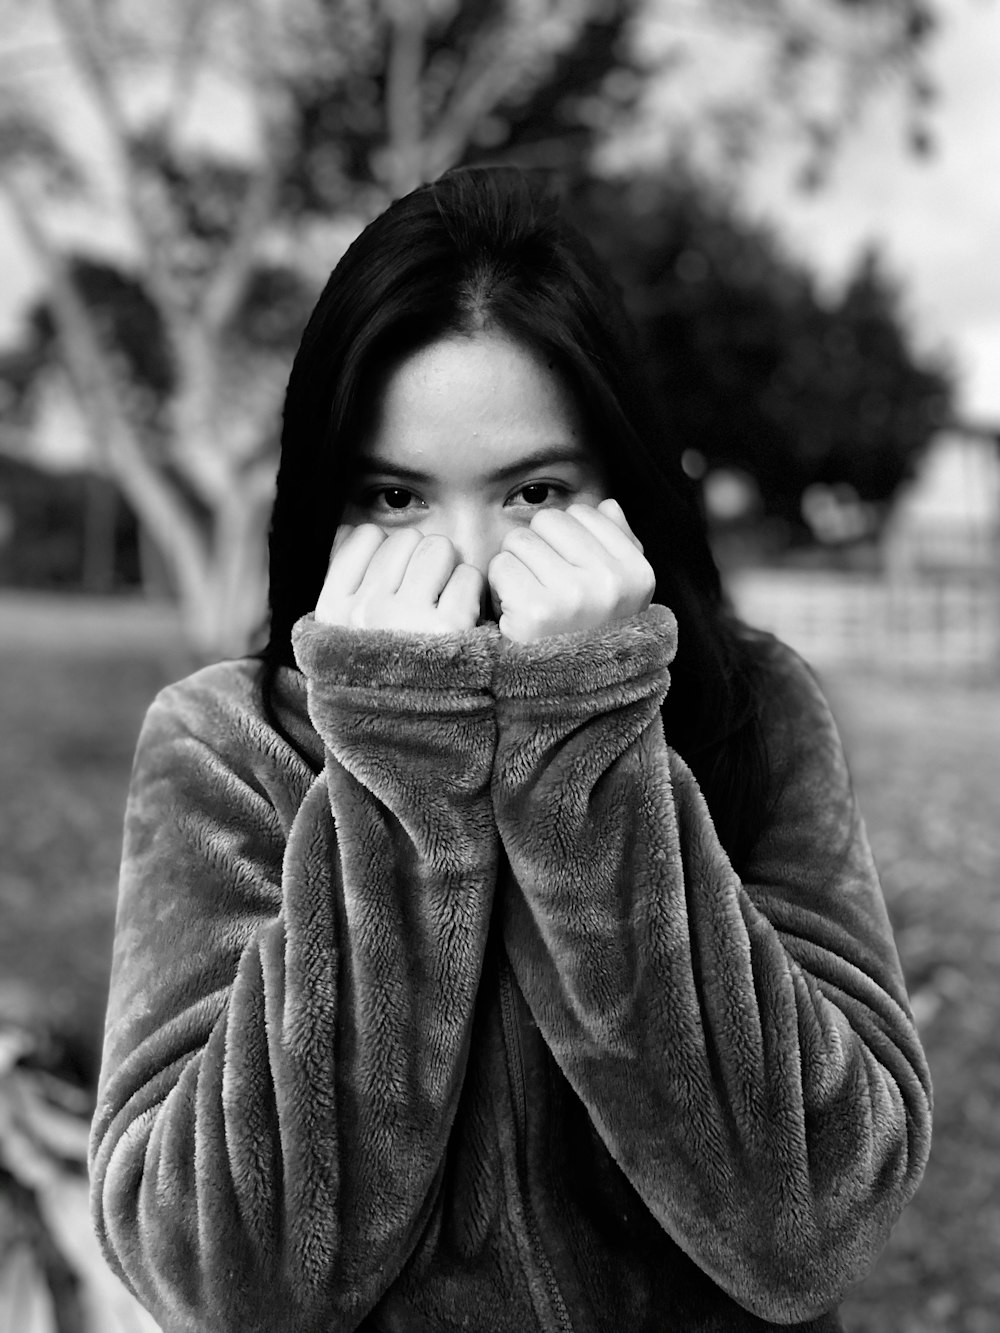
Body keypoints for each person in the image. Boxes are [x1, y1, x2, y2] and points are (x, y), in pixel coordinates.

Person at [89, 166, 932, 1333]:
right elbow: (218, 1279)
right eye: (394, 497)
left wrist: (589, 739)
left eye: (533, 489)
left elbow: (814, 1223)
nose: (468, 562)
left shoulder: (757, 705)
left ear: (620, 490)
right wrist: (396, 757)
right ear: (324, 501)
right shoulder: (224, 745)